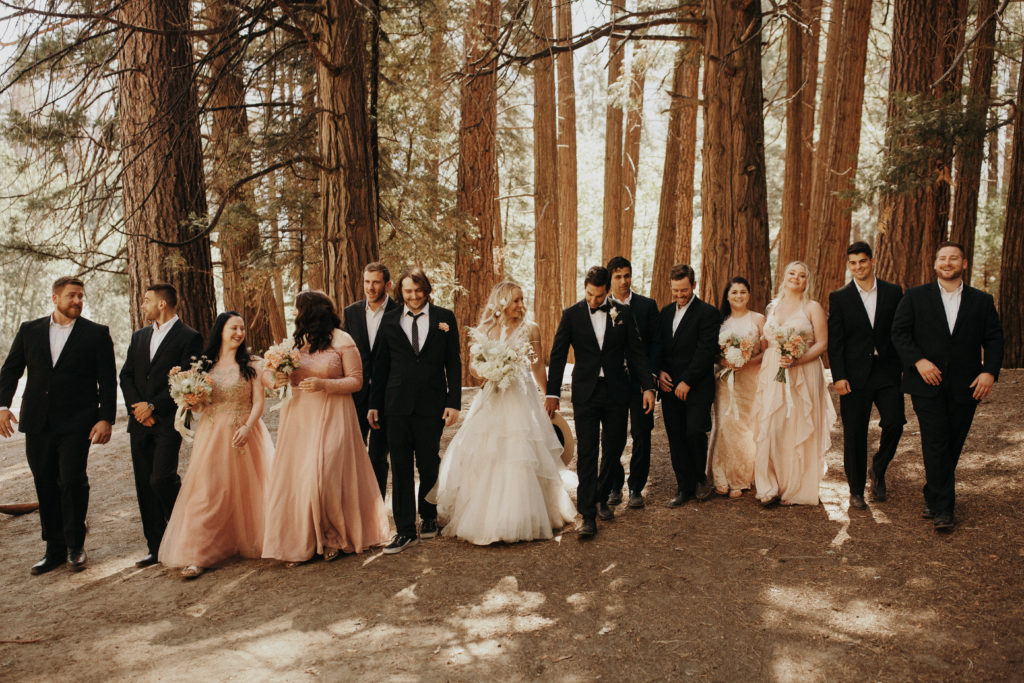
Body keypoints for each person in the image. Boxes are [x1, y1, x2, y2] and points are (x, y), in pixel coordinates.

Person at [435, 282, 576, 544]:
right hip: (494, 398)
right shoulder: (487, 328)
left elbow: (536, 366)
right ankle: (485, 517)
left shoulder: (530, 329)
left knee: (522, 455)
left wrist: (549, 396)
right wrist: (490, 371)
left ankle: (526, 517)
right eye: (515, 301)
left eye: (522, 300)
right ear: (502, 303)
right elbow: (476, 368)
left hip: (522, 399)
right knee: (488, 453)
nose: (521, 306)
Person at [0, 276, 116, 575]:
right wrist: (1, 406)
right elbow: (10, 370)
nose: (77, 301)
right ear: (55, 298)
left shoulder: (96, 334)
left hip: (78, 422)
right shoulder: (30, 330)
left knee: (72, 480)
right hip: (38, 421)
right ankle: (53, 548)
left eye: (80, 296)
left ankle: (75, 546)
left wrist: (105, 418)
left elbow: (107, 379)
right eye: (71, 296)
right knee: (45, 482)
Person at [263, 291, 390, 563]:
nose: (294, 315)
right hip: (299, 417)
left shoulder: (342, 340)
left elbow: (356, 381)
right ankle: (304, 539)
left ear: (311, 312)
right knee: (302, 477)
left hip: (334, 412)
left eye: (298, 310)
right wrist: (277, 377)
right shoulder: (296, 342)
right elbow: (268, 373)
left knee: (326, 473)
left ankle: (334, 536)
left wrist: (325, 385)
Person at [891, 241, 1003, 531]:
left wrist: (989, 372)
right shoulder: (915, 297)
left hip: (967, 384)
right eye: (943, 258)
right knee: (936, 440)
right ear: (935, 264)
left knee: (953, 441)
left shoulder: (982, 301)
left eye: (954, 258)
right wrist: (919, 362)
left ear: (964, 264)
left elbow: (994, 340)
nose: (948, 262)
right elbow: (899, 333)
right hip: (926, 382)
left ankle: (933, 491)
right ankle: (944, 510)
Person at [158, 312, 273, 579]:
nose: (239, 332)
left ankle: (254, 540)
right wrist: (190, 398)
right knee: (208, 492)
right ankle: (198, 554)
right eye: (234, 327)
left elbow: (259, 402)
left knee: (249, 491)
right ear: (221, 330)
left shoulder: (252, 364)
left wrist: (247, 427)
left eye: (242, 328)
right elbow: (200, 407)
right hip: (211, 435)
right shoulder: (205, 366)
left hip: (244, 432)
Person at [545, 266, 656, 539]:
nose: (593, 301)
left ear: (607, 291)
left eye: (598, 296)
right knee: (587, 453)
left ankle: (599, 495)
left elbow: (638, 353)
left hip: (617, 391)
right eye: (589, 294)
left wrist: (648, 387)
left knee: (615, 446)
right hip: (586, 393)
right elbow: (558, 355)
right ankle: (588, 516)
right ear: (585, 288)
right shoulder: (572, 315)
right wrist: (552, 394)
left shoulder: (623, 314)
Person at [369, 267, 461, 554]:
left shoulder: (445, 318)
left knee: (429, 461)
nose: (413, 296)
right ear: (401, 292)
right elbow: (380, 366)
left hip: (432, 404)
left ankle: (430, 516)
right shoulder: (390, 320)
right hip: (395, 406)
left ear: (427, 289)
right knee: (400, 466)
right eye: (408, 291)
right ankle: (406, 529)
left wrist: (453, 401)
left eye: (418, 290)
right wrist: (374, 403)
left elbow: (453, 363)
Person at [119, 283, 203, 567]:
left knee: (161, 478)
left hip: (169, 421)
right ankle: (156, 548)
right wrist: (139, 410)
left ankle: (185, 530)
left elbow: (188, 380)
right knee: (144, 485)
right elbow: (126, 376)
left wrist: (154, 407)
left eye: (146, 300)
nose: (143, 305)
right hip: (139, 422)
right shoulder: (139, 336)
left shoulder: (189, 337)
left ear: (162, 304)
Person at [827, 242, 904, 510]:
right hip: (854, 376)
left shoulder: (894, 292)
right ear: (849, 266)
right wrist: (838, 376)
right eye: (853, 263)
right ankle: (856, 490)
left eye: (862, 261)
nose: (858, 267)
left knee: (895, 422)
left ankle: (878, 468)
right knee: (855, 434)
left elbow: (900, 331)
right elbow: (835, 342)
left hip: (887, 372)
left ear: (872, 261)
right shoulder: (839, 298)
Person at [753, 261, 836, 506]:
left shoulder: (812, 307)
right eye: (792, 273)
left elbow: (821, 343)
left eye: (802, 275)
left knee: (797, 424)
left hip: (804, 371)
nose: (796, 278)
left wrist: (797, 359)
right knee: (771, 424)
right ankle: (768, 485)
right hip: (772, 370)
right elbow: (767, 341)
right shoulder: (772, 306)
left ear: (806, 281)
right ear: (784, 276)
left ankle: (797, 485)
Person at [653, 265, 720, 507]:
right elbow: (658, 346)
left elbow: (705, 351)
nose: (679, 295)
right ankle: (683, 486)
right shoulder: (665, 312)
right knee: (676, 436)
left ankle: (700, 478)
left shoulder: (708, 313)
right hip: (669, 386)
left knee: (694, 430)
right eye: (675, 290)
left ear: (694, 285)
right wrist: (659, 372)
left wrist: (687, 381)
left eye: (684, 290)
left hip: (697, 385)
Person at [605, 256, 659, 509]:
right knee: (612, 437)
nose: (624, 281)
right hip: (613, 384)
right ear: (610, 279)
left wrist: (651, 379)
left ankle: (637, 487)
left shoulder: (647, 306)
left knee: (642, 435)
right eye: (618, 276)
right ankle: (614, 486)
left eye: (627, 275)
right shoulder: (601, 307)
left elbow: (656, 345)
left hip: (641, 383)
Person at [343, 262, 399, 498]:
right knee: (352, 453)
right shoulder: (351, 312)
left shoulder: (399, 313)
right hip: (356, 395)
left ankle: (376, 507)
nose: (370, 287)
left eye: (376, 282)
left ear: (387, 284)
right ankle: (355, 505)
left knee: (378, 455)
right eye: (367, 281)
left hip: (387, 396)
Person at [708, 277, 765, 498]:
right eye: (734, 292)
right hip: (725, 380)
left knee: (747, 428)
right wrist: (725, 361)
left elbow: (766, 350)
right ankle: (722, 476)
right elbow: (712, 351)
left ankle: (741, 479)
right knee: (725, 425)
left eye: (743, 292)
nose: (739, 296)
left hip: (751, 379)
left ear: (749, 295)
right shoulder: (721, 321)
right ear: (727, 296)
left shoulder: (759, 319)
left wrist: (746, 362)